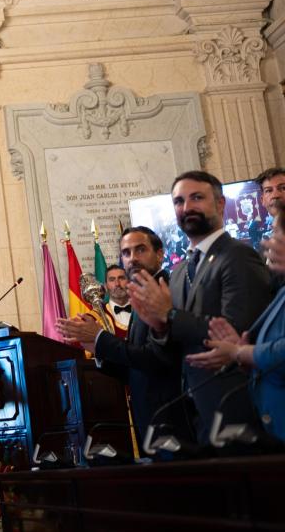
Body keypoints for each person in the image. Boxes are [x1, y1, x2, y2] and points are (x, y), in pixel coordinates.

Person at [130, 171, 272, 445]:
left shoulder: (238, 256)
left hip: (236, 403)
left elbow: (236, 332)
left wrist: (170, 315)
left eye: (197, 198)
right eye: (179, 201)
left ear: (220, 204)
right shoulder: (181, 270)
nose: (187, 207)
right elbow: (172, 348)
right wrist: (159, 328)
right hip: (193, 411)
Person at [56, 227, 193, 447]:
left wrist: (100, 337)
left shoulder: (168, 292)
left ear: (160, 254)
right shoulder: (140, 293)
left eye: (140, 250)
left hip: (173, 417)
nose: (132, 258)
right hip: (149, 419)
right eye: (126, 253)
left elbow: (158, 358)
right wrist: (95, 346)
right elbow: (135, 366)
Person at [186, 212, 285, 441]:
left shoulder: (237, 256)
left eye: (278, 233)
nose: (270, 240)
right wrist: (244, 359)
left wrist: (241, 352)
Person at [103, 265, 131, 338]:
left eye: (121, 278)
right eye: (112, 280)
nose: (117, 284)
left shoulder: (144, 310)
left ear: (129, 283)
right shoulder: (98, 314)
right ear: (105, 286)